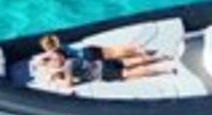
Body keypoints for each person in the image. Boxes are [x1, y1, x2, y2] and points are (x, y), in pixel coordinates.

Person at [35, 33, 174, 89]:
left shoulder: (66, 65)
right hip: (91, 54)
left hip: (96, 65)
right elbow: (50, 57)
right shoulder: (61, 47)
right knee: (118, 53)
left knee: (127, 73)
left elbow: (67, 83)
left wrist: (54, 77)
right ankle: (157, 56)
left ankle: (164, 70)